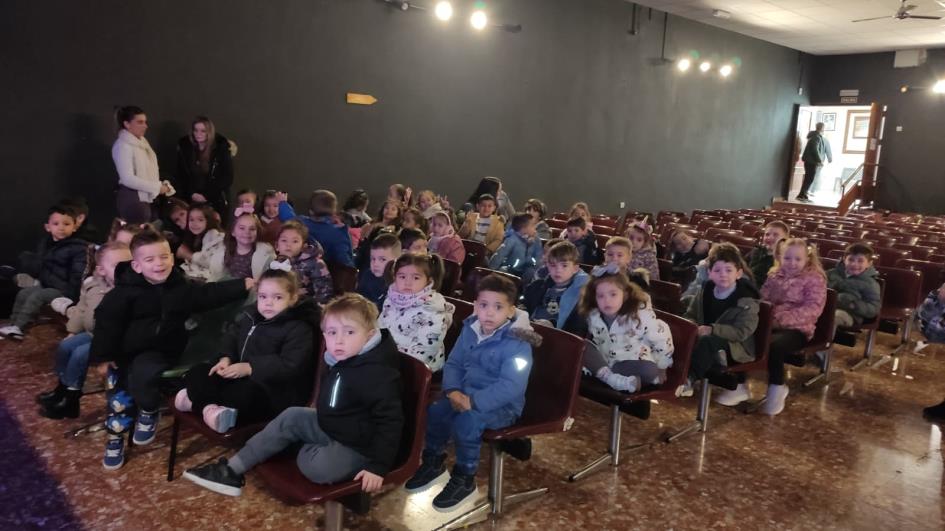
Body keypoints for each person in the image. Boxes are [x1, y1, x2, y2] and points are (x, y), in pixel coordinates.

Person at [182, 293, 404, 497]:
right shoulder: (342, 358)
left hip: (359, 447)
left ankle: (294, 446)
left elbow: (391, 421)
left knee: (314, 467)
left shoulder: (377, 373)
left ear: (369, 335)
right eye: (332, 332)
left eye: (350, 332)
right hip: (334, 427)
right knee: (293, 415)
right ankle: (231, 470)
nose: (339, 340)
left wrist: (378, 467)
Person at [90, 229, 251, 469]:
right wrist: (103, 357)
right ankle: (115, 439)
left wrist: (241, 285)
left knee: (144, 372)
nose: (159, 263)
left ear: (172, 258)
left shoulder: (179, 287)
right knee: (118, 400)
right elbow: (106, 325)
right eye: (150, 259)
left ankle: (149, 408)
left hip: (160, 350)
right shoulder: (122, 294)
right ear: (136, 266)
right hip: (124, 353)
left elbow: (207, 294)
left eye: (164, 256)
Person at [404, 274, 540, 511]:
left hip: (502, 406)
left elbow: (512, 386)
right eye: (483, 305)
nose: (489, 313)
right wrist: (453, 390)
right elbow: (455, 363)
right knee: (435, 412)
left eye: (498, 307)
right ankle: (434, 462)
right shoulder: (471, 328)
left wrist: (473, 401)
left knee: (467, 423)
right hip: (464, 394)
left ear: (510, 311)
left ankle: (465, 478)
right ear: (476, 305)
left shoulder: (518, 342)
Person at [176, 268, 318, 433]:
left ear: (292, 298)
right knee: (199, 371)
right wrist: (226, 358)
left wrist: (250, 368)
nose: (268, 303)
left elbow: (290, 364)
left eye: (277, 297)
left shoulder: (299, 328)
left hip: (271, 391)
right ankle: (208, 409)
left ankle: (196, 403)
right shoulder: (250, 316)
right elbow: (232, 337)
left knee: (241, 396)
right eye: (263, 296)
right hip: (239, 377)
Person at [36, 242, 132, 419]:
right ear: (102, 270)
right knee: (66, 347)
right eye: (117, 266)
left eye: (128, 265)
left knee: (80, 355)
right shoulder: (93, 285)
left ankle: (71, 400)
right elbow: (81, 309)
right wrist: (72, 331)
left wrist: (108, 355)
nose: (124, 271)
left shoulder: (128, 292)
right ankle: (62, 389)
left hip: (112, 342)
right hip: (93, 333)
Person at [683, 243, 760, 405]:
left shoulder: (746, 299)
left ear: (739, 273)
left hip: (737, 347)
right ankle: (673, 370)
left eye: (729, 270)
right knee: (688, 336)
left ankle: (689, 378)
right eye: (717, 270)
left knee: (708, 340)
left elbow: (742, 332)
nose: (723, 275)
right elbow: (691, 314)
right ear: (710, 273)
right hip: (707, 337)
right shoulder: (705, 291)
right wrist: (692, 326)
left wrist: (712, 329)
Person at [1, 205, 90, 340]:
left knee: (37, 296)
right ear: (48, 227)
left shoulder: (78, 248)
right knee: (23, 293)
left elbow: (78, 274)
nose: (61, 227)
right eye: (56, 224)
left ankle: (19, 327)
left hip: (62, 289)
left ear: (74, 227)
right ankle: (13, 324)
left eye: (66, 224)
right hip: (47, 284)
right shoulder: (46, 244)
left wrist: (72, 295)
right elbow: (41, 265)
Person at [759, 238, 827, 416]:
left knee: (774, 346)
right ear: (780, 258)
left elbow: (812, 309)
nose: (792, 263)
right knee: (744, 336)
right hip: (771, 323)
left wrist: (780, 320)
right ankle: (739, 384)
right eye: (787, 258)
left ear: (807, 259)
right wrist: (764, 315)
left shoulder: (814, 279)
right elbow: (763, 297)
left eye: (798, 259)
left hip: (798, 329)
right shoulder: (774, 274)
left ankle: (777, 386)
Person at [579, 271, 674, 393]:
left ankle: (601, 373)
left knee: (649, 370)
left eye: (613, 294)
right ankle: (614, 380)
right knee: (582, 346)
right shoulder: (593, 315)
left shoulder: (640, 315)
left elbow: (662, 336)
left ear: (625, 294)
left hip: (631, 361)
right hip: (604, 359)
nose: (607, 301)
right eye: (600, 296)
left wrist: (662, 366)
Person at [378, 253, 455, 371]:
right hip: (386, 358)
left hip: (417, 368)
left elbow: (424, 352)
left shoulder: (433, 311)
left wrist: (387, 363)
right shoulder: (391, 299)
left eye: (416, 278)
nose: (408, 283)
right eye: (402, 277)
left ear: (428, 281)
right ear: (395, 277)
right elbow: (379, 329)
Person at [112, 106, 173, 223]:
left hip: (146, 197)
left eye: (145, 122)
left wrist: (159, 186)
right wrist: (156, 187)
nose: (145, 126)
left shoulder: (142, 143)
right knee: (140, 232)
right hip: (133, 198)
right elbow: (127, 179)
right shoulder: (123, 146)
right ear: (127, 124)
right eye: (140, 122)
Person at [522, 241, 589, 336]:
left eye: (564, 265)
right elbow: (524, 304)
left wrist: (552, 327)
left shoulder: (581, 295)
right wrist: (523, 315)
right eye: (553, 265)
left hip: (556, 337)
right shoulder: (537, 285)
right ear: (547, 266)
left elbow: (579, 328)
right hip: (529, 330)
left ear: (575, 268)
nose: (558, 270)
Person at [173, 116, 234, 218]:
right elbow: (181, 175)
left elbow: (227, 177)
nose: (198, 134)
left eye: (203, 131)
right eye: (195, 130)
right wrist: (191, 193)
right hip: (190, 199)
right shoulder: (185, 149)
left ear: (209, 132)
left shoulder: (221, 149)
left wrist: (207, 195)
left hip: (215, 199)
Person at [277, 190, 354, 267]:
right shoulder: (339, 232)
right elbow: (345, 261)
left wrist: (282, 202)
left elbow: (288, 217)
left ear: (311, 211)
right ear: (334, 211)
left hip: (299, 269)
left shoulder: (300, 223)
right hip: (330, 272)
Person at [205, 209, 275, 283]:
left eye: (252, 229)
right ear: (233, 232)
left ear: (257, 232)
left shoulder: (264, 254)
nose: (247, 232)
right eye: (242, 228)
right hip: (227, 286)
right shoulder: (223, 251)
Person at [272, 221, 334, 304]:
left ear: (303, 246)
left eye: (295, 241)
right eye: (284, 240)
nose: (288, 245)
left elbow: (324, 293)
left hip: (306, 306)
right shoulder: (276, 262)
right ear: (277, 246)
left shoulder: (316, 263)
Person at [827, 243, 881, 329]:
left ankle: (825, 337)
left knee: (833, 317)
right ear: (844, 259)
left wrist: (853, 305)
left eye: (860, 261)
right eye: (851, 260)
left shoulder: (870, 283)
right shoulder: (831, 273)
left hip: (850, 314)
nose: (854, 264)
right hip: (826, 307)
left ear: (869, 263)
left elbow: (873, 309)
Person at [489, 213, 543, 282]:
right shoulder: (512, 239)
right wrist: (491, 270)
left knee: (531, 273)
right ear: (523, 229)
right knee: (502, 271)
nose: (535, 228)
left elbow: (539, 257)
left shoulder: (536, 241)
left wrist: (536, 268)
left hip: (527, 269)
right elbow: (500, 254)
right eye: (532, 225)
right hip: (511, 269)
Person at [179, 204, 226, 280]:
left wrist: (189, 255)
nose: (195, 224)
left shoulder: (214, 235)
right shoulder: (194, 236)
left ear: (208, 221)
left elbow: (214, 263)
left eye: (200, 220)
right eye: (191, 220)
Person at [358, 233, 400, 309]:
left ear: (396, 260)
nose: (375, 264)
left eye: (382, 259)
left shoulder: (399, 282)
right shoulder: (367, 276)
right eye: (373, 259)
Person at [746, 221, 790, 289]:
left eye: (775, 235)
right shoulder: (757, 251)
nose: (770, 237)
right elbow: (742, 266)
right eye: (767, 234)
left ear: (785, 239)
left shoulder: (785, 259)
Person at [797, 122, 833, 202]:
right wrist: (819, 160)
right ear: (822, 128)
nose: (824, 129)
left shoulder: (815, 136)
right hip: (811, 162)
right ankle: (802, 195)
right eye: (824, 127)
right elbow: (815, 149)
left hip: (810, 162)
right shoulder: (816, 137)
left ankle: (803, 195)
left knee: (808, 179)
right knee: (809, 179)